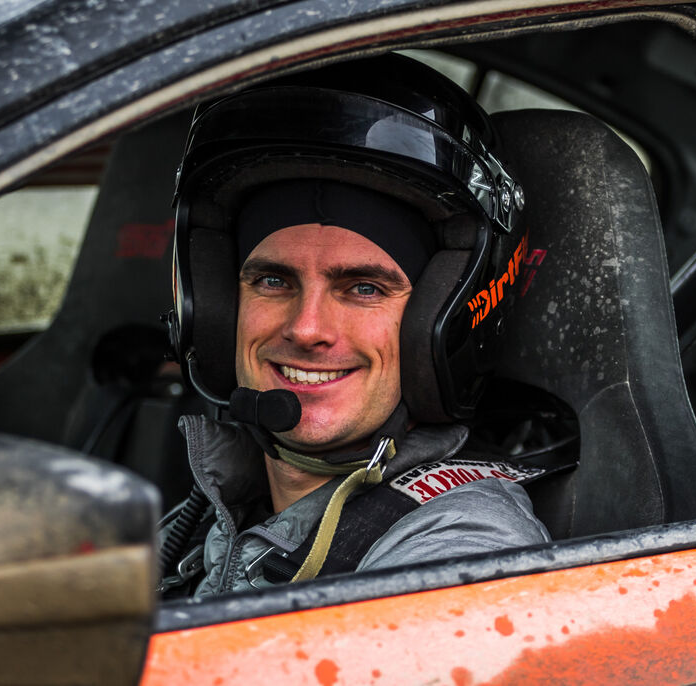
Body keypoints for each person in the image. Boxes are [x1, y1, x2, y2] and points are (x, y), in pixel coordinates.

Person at [164, 54, 554, 597]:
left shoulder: (465, 552)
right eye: (273, 281)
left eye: (364, 288)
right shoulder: (221, 501)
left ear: (440, 322)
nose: (306, 328)